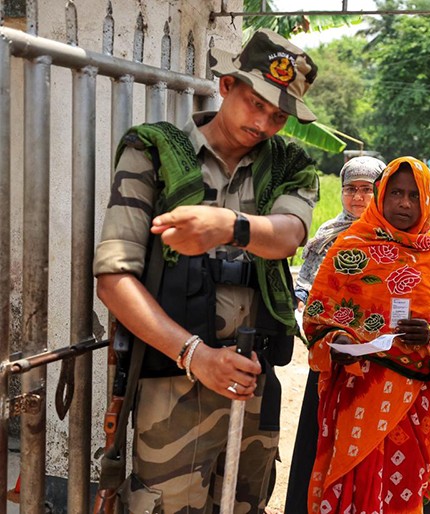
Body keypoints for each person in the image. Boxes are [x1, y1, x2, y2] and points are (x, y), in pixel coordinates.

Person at [93, 30, 319, 512]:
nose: (263, 123)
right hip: (172, 386)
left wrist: (228, 226)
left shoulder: (290, 164)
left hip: (254, 385)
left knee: (247, 504)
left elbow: (287, 235)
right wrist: (195, 355)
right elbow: (114, 278)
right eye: (255, 102)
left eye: (278, 115)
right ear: (227, 86)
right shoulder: (153, 151)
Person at [303, 156, 430, 513]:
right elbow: (317, 318)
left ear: (427, 201)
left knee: (401, 489)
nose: (404, 203)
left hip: (412, 404)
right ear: (382, 195)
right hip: (356, 393)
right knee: (353, 482)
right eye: (395, 193)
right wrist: (336, 342)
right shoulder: (349, 247)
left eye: (413, 195)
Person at [285, 156, 385, 513]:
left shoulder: (397, 234)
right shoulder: (327, 235)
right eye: (350, 189)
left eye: (367, 190)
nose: (357, 198)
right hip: (332, 355)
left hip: (382, 362)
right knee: (321, 435)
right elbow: (305, 288)